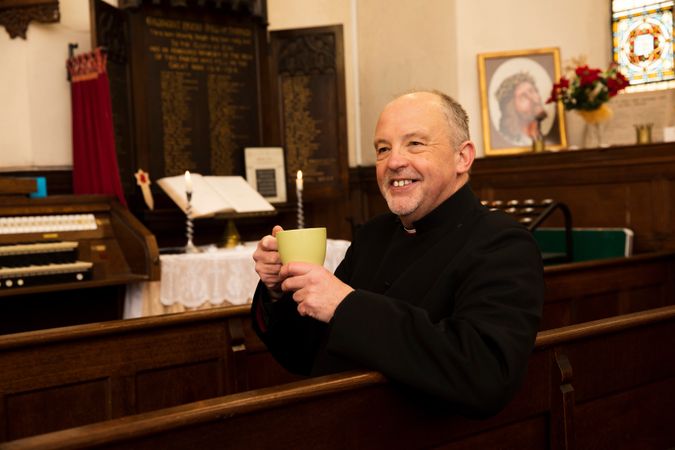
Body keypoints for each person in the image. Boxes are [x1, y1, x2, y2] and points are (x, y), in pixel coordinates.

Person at [251, 90, 544, 418]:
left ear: (463, 157)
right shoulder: (374, 235)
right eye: (383, 148)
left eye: (415, 143)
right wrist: (279, 290)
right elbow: (305, 355)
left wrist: (346, 305)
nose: (394, 162)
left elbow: (485, 374)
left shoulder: (503, 243)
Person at [495, 71, 546, 146]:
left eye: (532, 91)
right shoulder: (511, 142)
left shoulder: (545, 139)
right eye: (523, 96)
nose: (533, 99)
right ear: (511, 108)